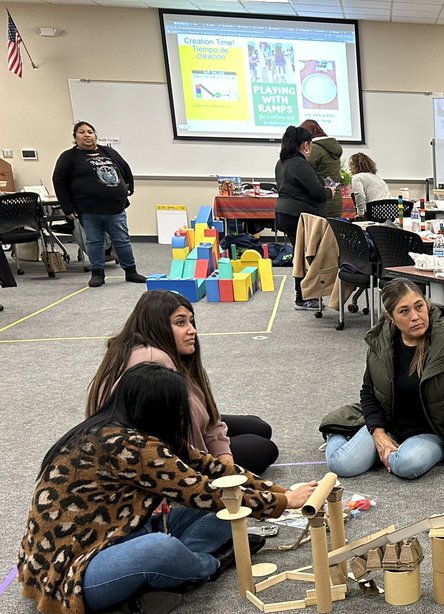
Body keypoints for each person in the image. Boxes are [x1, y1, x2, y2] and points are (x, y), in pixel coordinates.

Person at [18, 363, 317, 614]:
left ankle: (161, 577)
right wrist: (283, 503)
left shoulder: (132, 428)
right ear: (157, 410)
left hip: (119, 535)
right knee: (161, 548)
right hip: (74, 571)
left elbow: (213, 470)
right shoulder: (131, 446)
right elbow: (202, 491)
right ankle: (209, 566)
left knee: (230, 511)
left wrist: (281, 493)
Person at [320, 279, 444, 479]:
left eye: (419, 307)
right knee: (340, 464)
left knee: (405, 465)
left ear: (426, 304)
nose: (415, 317)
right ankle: (337, 430)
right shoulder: (381, 340)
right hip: (391, 422)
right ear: (391, 317)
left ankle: (385, 446)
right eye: (404, 311)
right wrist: (378, 433)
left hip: (435, 428)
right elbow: (368, 391)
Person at [86, 290, 279, 474]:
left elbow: (206, 415)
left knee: (258, 426)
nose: (192, 330)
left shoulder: (140, 347)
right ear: (156, 325)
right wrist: (221, 463)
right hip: (165, 454)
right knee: (263, 448)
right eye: (180, 323)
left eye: (191, 322)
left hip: (186, 426)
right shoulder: (153, 362)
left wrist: (221, 447)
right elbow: (169, 444)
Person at [51, 121, 147, 288]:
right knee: (94, 242)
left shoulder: (108, 152)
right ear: (75, 138)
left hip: (115, 207)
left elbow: (125, 168)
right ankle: (98, 273)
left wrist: (128, 188)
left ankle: (131, 271)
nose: (87, 135)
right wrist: (68, 207)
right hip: (88, 209)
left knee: (122, 240)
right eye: (81, 132)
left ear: (95, 135)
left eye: (90, 132)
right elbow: (58, 181)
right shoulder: (69, 157)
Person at [274, 125, 337, 310]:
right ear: (305, 145)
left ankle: (302, 296)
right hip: (301, 216)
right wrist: (330, 192)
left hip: (285, 213)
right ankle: (305, 297)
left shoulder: (281, 163)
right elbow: (317, 192)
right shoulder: (300, 164)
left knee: (299, 255)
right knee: (307, 257)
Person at [299, 119, 345, 218]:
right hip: (335, 199)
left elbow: (304, 171)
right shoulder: (332, 149)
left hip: (322, 201)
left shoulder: (315, 149)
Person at [347, 152, 391, 218]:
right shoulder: (378, 178)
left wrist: (360, 215)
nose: (350, 169)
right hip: (389, 213)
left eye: (351, 165)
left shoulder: (357, 177)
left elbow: (359, 195)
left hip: (374, 213)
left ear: (356, 166)